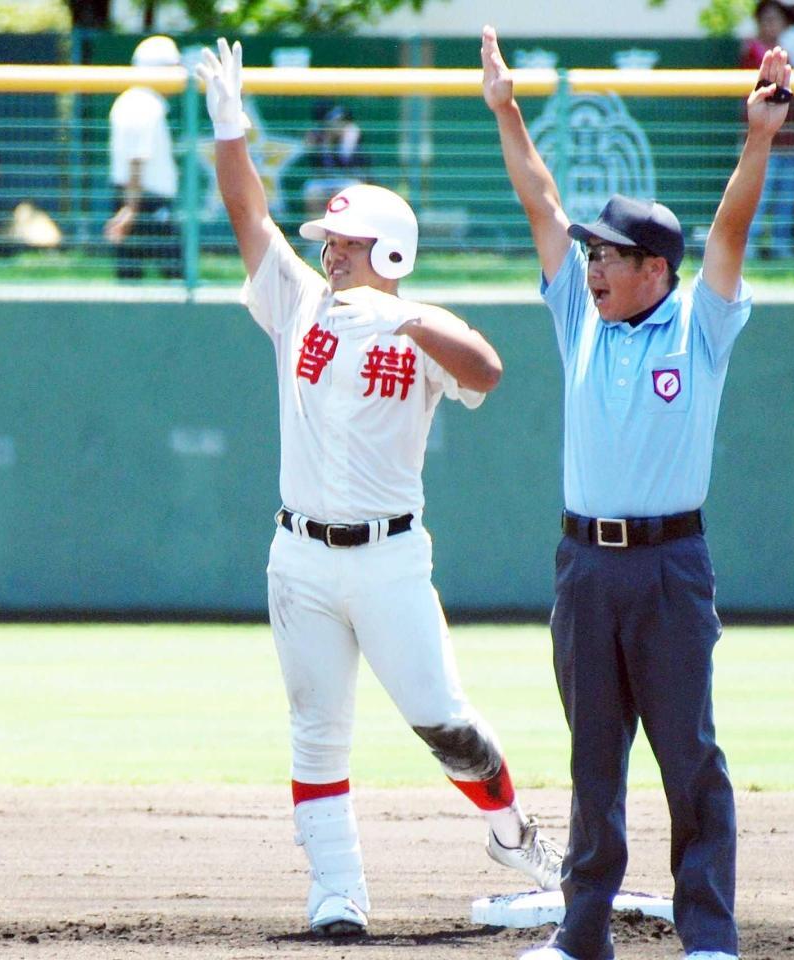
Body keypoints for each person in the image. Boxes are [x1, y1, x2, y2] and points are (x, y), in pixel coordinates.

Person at [195, 37, 563, 938]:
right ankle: (338, 892)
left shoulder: (418, 324)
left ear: (388, 251)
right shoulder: (298, 303)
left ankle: (514, 838)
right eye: (329, 240)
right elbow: (248, 217)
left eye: (346, 242)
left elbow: (487, 370)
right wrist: (230, 128)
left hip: (391, 556)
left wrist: (406, 319)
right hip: (299, 553)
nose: (330, 253)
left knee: (444, 721)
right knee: (316, 729)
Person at [481, 23, 792, 960]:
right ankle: (582, 936)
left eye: (609, 256)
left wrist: (759, 136)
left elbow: (729, 230)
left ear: (656, 268)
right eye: (590, 255)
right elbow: (540, 199)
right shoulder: (578, 317)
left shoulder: (698, 326)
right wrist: (505, 111)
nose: (591, 266)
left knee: (689, 757)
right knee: (593, 761)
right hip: (584, 565)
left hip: (669, 566)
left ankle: (709, 937)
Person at [104, 35, 182, 279]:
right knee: (176, 276)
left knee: (132, 276)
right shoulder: (144, 105)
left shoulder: (136, 101)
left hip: (137, 200)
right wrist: (130, 209)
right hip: (144, 202)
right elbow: (136, 159)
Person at [740, 1, 794, 257]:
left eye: (776, 20)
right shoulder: (753, 50)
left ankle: (780, 246)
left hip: (789, 140)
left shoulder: (791, 52)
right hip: (762, 140)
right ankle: (748, 248)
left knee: (785, 197)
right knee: (758, 196)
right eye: (766, 19)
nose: (771, 25)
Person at [302, 99, 368, 218]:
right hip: (326, 180)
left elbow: (346, 163)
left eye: (340, 121)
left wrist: (336, 142)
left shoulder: (351, 133)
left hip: (348, 179)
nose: (337, 124)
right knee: (312, 190)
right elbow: (316, 166)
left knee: (349, 191)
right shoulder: (319, 134)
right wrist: (322, 143)